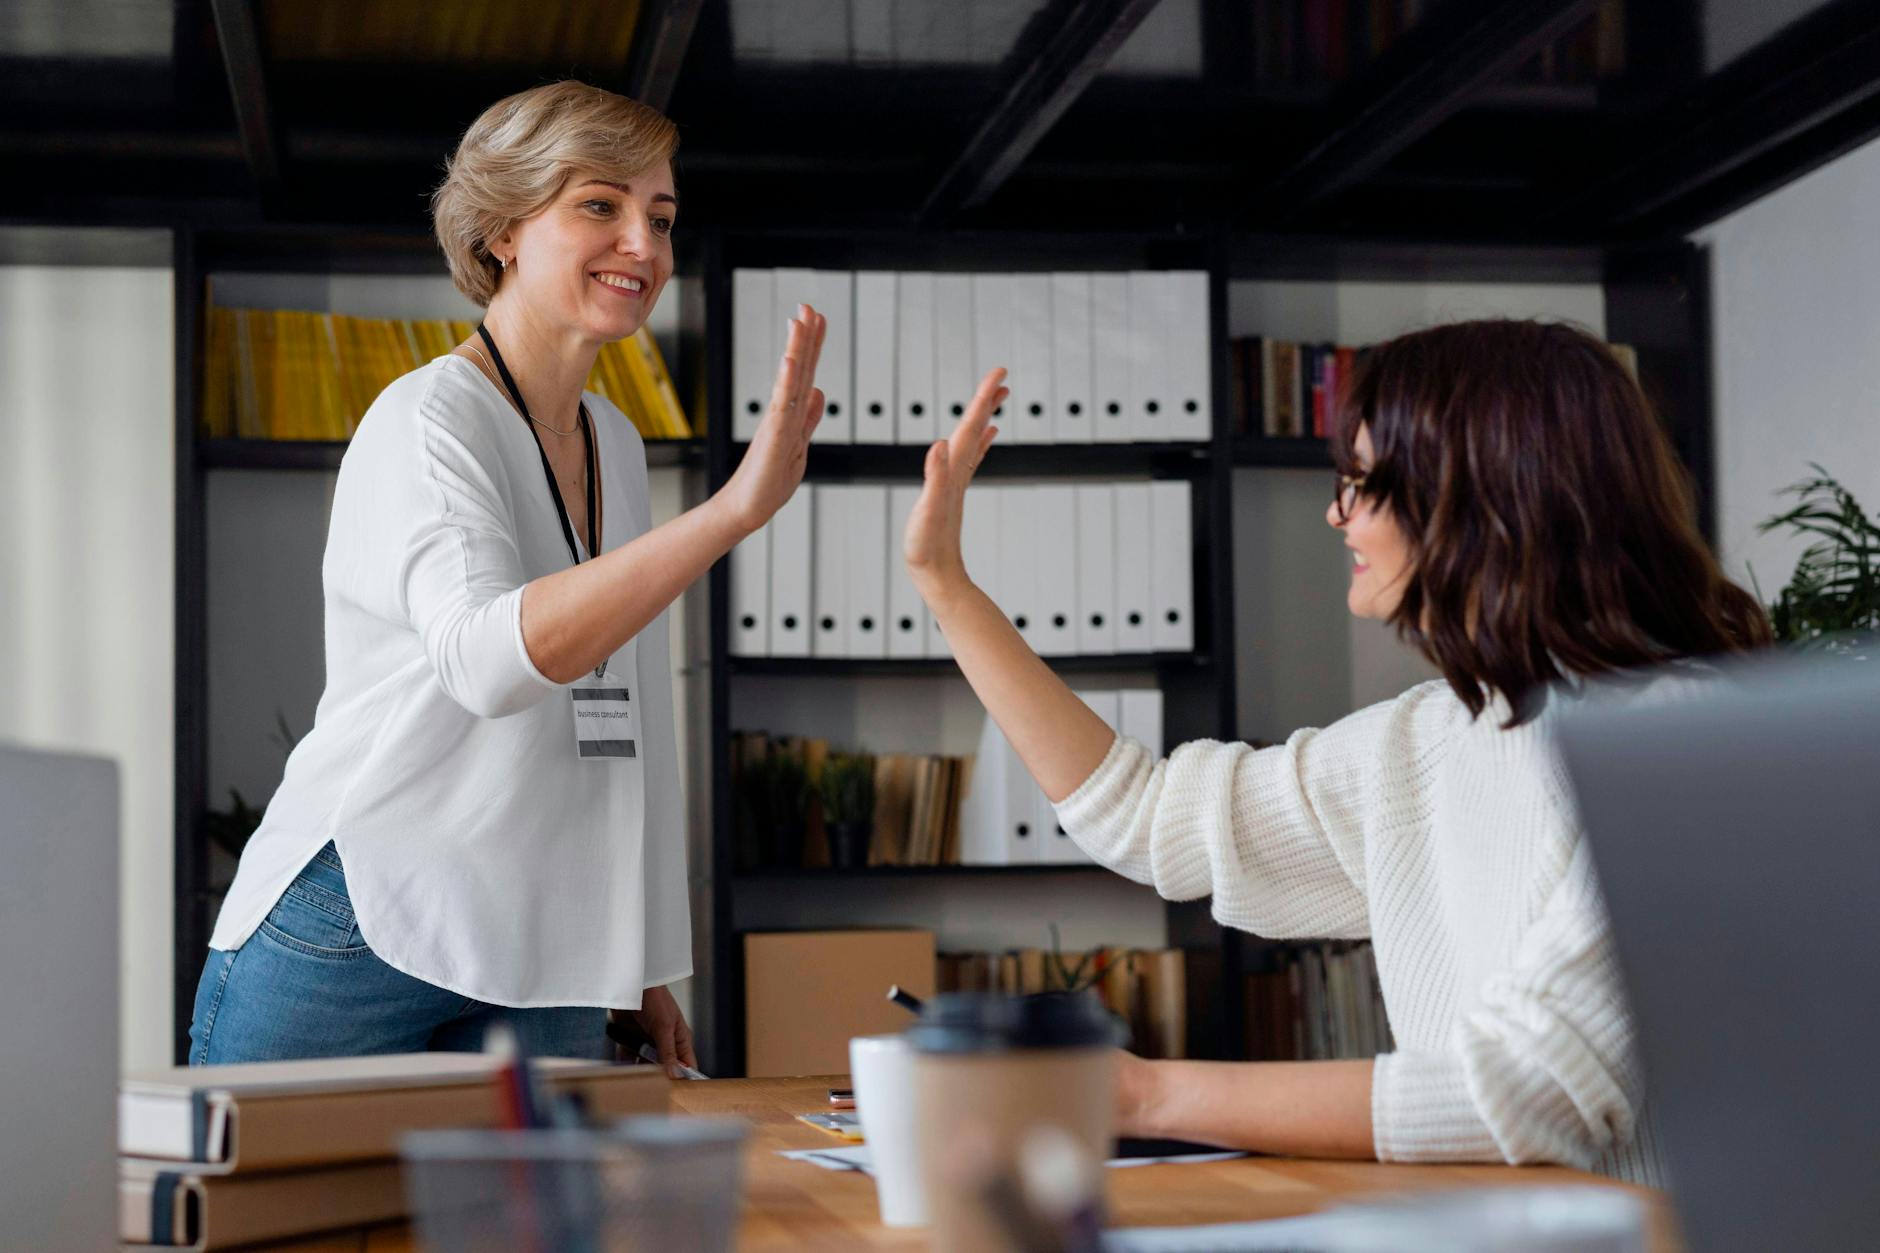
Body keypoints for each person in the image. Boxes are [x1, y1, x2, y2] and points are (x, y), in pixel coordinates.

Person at [904, 319, 1770, 1181]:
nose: (1334, 513)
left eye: (1360, 482)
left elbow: (1528, 1089)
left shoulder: (1688, 747)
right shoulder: (1430, 736)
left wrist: (1135, 1097)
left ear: (1477, 496)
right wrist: (948, 587)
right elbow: (1150, 817)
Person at [190, 81, 826, 1069]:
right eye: (600, 207)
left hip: (540, 938)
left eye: (659, 217)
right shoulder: (426, 422)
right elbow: (485, 661)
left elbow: (627, 723)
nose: (644, 247)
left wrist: (640, 961)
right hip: (364, 914)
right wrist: (732, 511)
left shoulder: (614, 440)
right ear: (502, 232)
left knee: (526, 1225)